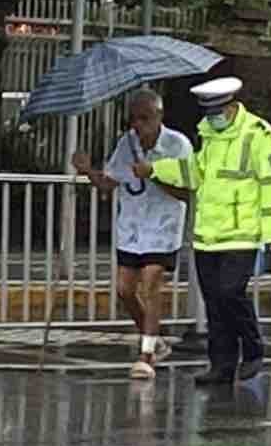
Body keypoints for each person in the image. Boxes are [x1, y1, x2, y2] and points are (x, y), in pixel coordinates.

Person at [132, 76, 271, 385]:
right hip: (207, 237)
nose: (212, 118)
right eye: (208, 113)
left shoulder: (258, 135)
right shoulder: (210, 137)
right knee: (214, 302)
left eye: (217, 112)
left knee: (231, 293)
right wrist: (155, 169)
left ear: (231, 107)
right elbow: (194, 172)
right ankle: (222, 365)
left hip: (242, 233)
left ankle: (254, 348)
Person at [72, 89, 192, 381]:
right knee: (125, 289)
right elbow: (109, 182)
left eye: (145, 118)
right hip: (132, 227)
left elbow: (187, 192)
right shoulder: (125, 144)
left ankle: (146, 354)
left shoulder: (178, 145)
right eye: (134, 119)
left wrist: (153, 174)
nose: (138, 125)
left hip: (162, 227)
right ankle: (155, 337)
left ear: (159, 117)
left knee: (151, 283)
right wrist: (88, 171)